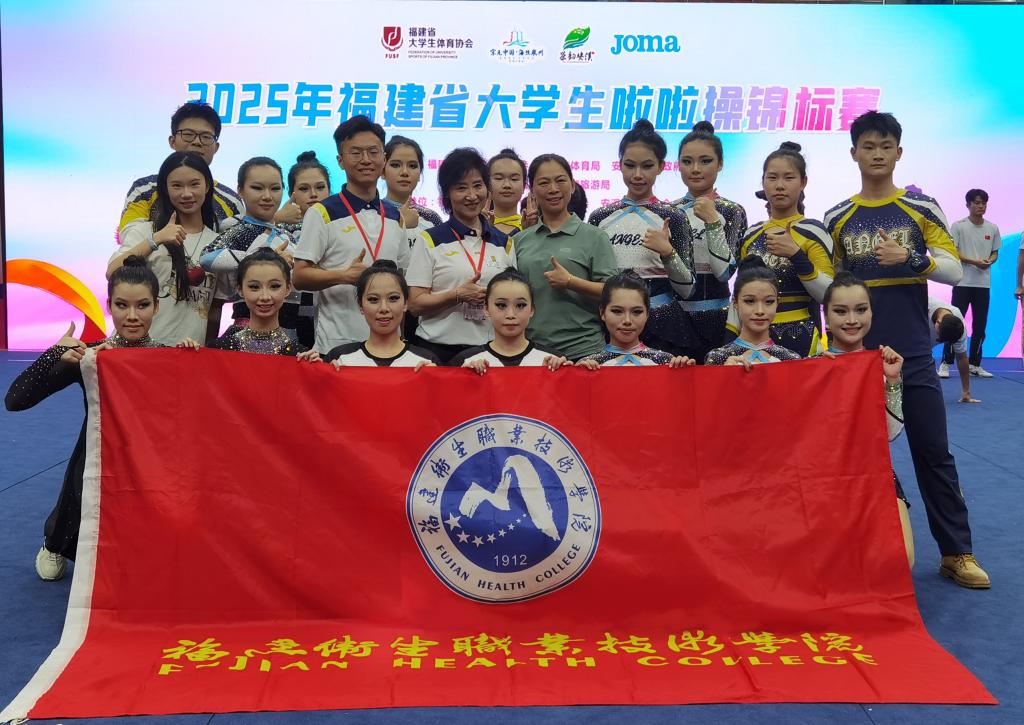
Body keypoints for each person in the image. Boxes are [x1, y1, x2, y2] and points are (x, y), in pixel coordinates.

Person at [823, 110, 988, 588]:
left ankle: (956, 552)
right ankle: (849, 558)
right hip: (853, 358)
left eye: (885, 146)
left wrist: (912, 259)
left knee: (933, 452)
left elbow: (953, 269)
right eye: (868, 146)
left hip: (912, 353)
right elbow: (832, 290)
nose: (877, 154)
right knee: (850, 460)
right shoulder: (836, 217)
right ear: (853, 153)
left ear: (898, 152)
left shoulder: (921, 208)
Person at [5, 257, 198, 581]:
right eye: (122, 305)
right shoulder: (90, 357)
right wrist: (55, 352)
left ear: (156, 306)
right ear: (109, 306)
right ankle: (55, 544)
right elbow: (16, 400)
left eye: (142, 305)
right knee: (82, 486)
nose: (132, 315)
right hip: (97, 453)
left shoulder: (168, 356)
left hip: (153, 457)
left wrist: (190, 361)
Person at [292, 115, 410, 353]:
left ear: (384, 158)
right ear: (340, 161)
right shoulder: (322, 212)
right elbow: (299, 276)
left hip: (389, 347)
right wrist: (343, 276)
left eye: (373, 152)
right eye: (355, 153)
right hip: (336, 344)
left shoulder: (395, 217)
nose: (366, 160)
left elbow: (403, 281)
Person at [821, 272, 914, 567]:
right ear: (826, 316)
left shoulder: (884, 365)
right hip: (820, 480)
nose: (852, 320)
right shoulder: (810, 367)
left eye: (861, 309)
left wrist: (893, 381)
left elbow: (890, 434)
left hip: (875, 474)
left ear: (872, 312)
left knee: (902, 559)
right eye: (840, 311)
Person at [588, 120, 697, 355]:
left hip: (665, 327)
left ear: (661, 167)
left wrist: (668, 253)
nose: (637, 175)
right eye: (630, 165)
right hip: (612, 327)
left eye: (647, 166)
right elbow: (592, 282)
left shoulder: (674, 217)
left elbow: (688, 290)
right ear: (620, 165)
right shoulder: (599, 217)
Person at [406, 148, 515, 363]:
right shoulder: (429, 240)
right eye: (461, 188)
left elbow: (511, 299)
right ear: (447, 193)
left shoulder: (504, 243)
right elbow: (415, 304)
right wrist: (456, 295)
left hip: (490, 352)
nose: (472, 195)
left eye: (478, 185)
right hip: (437, 352)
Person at [108, 152, 226, 345]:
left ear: (207, 186)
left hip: (188, 353)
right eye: (177, 186)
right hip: (137, 350)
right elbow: (112, 273)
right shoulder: (145, 232)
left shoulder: (218, 244)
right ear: (165, 188)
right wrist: (156, 240)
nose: (186, 193)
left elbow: (214, 310)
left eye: (194, 184)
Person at [513, 154, 617, 360]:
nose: (553, 189)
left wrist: (570, 282)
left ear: (572, 185)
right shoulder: (519, 240)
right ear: (532, 191)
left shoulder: (595, 237)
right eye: (544, 183)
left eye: (560, 180)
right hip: (532, 352)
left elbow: (612, 292)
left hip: (584, 351)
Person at [734, 142, 834, 357]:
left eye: (788, 178)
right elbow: (739, 297)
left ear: (803, 182)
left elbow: (829, 296)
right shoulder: (751, 234)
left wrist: (797, 256)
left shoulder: (814, 231)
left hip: (803, 335)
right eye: (772, 178)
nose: (779, 185)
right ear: (763, 182)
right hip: (754, 339)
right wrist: (730, 342)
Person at [672, 121, 748, 362]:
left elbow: (724, 273)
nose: (695, 169)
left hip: (721, 319)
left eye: (705, 161)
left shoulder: (732, 211)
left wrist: (713, 220)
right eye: (687, 161)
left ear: (720, 163)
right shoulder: (668, 212)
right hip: (675, 320)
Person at [200, 157, 300, 336]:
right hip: (247, 335)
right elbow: (207, 256)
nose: (267, 196)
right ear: (240, 190)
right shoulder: (241, 230)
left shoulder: (287, 235)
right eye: (257, 188)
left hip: (291, 333)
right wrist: (268, 257)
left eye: (275, 188)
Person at [119, 101, 243, 236]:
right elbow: (131, 238)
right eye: (188, 134)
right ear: (172, 141)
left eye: (206, 137)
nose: (197, 142)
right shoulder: (144, 189)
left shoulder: (231, 201)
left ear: (216, 147)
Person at [209, 248, 320, 361]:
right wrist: (196, 355)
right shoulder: (219, 350)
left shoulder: (299, 357)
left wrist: (316, 369)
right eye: (254, 287)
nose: (265, 297)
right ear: (240, 289)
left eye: (274, 286)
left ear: (288, 288)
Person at [450, 268, 569, 371]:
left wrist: (571, 373)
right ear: (486, 309)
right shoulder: (465, 362)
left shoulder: (554, 361)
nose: (511, 315)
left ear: (532, 309)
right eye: (501, 305)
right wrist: (465, 378)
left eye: (520, 305)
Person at [325, 260, 438, 368]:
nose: (384, 308)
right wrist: (317, 370)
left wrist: (434, 378)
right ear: (360, 305)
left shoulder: (426, 361)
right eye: (373, 299)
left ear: (405, 303)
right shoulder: (339, 358)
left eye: (393, 298)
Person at [578, 272, 696, 368]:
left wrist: (683, 375)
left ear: (647, 314)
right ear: (602, 313)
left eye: (637, 312)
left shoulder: (667, 362)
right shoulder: (588, 365)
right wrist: (578, 376)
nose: (627, 320)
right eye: (617, 311)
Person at [944, 189, 1001, 378]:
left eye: (984, 203)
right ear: (968, 205)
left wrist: (990, 261)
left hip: (983, 285)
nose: (981, 206)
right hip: (962, 282)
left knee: (980, 326)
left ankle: (975, 364)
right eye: (977, 203)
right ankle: (946, 363)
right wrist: (974, 262)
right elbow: (953, 252)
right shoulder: (958, 226)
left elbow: (995, 251)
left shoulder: (992, 228)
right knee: (953, 323)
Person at [705, 257, 801, 366]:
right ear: (735, 302)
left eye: (769, 301)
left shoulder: (791, 360)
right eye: (750, 301)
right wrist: (726, 372)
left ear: (777, 303)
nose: (760, 311)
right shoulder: (718, 358)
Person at [280, 151, 333, 348]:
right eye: (304, 188)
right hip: (286, 317)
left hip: (331, 316)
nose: (314, 194)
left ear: (330, 190)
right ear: (291, 194)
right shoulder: (278, 230)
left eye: (320, 187)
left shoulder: (342, 227)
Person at [382, 135, 443, 247]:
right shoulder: (373, 213)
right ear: (382, 172)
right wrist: (401, 224)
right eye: (395, 165)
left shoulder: (431, 218)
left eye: (412, 166)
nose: (405, 172)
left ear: (420, 174)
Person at [930, 298, 980, 403]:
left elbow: (961, 357)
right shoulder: (924, 305)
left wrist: (966, 392)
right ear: (938, 323)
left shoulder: (959, 326)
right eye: (939, 335)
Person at [488, 148, 528, 235]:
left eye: (514, 179)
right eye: (499, 178)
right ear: (487, 184)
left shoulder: (531, 228)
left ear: (524, 186)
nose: (507, 185)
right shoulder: (476, 227)